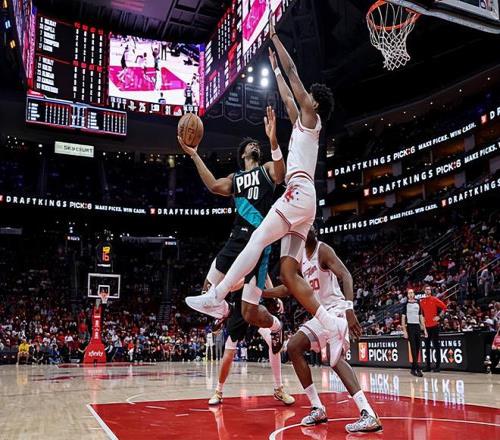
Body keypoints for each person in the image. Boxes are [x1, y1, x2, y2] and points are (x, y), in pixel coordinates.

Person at [185, 19, 339, 352]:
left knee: (257, 239)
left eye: (307, 97)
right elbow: (288, 97)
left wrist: (275, 39)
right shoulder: (302, 125)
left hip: (298, 191)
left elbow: (295, 76)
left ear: (314, 104)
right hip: (306, 201)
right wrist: (276, 71)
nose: (302, 98)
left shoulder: (312, 117)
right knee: (288, 272)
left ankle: (216, 295)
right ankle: (331, 323)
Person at [180, 106, 286, 345]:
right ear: (243, 154)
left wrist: (273, 141)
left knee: (249, 312)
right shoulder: (235, 178)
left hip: (259, 237)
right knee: (207, 288)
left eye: (257, 145)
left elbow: (281, 175)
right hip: (238, 236)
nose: (255, 146)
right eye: (251, 145)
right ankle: (223, 309)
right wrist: (194, 155)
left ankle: (276, 325)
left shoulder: (267, 169)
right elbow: (213, 186)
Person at [263, 226, 382, 433]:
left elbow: (346, 275)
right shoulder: (300, 259)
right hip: (320, 314)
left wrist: (349, 308)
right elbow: (288, 288)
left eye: (310, 226)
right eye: (304, 227)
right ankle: (317, 408)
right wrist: (261, 293)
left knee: (334, 360)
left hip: (336, 310)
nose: (307, 229)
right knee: (294, 346)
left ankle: (369, 413)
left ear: (315, 231)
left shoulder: (323, 250)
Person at [208, 289, 294, 406]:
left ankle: (279, 389)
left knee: (273, 342)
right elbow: (228, 285)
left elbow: (266, 279)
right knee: (229, 352)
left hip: (255, 307)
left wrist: (274, 297)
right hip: (239, 308)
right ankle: (218, 391)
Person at [420, 286, 447, 372]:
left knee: (436, 346)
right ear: (424, 291)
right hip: (426, 327)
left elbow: (444, 307)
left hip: (434, 326)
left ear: (431, 291)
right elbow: (421, 314)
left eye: (429, 289)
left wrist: (439, 316)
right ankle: (428, 366)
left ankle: (437, 366)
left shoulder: (434, 299)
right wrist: (422, 323)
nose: (427, 291)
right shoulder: (422, 301)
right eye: (426, 289)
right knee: (427, 347)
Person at [402, 288, 427, 377]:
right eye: (409, 293)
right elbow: (403, 318)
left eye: (412, 292)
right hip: (410, 326)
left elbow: (421, 317)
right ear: (407, 295)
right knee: (413, 348)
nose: (411, 294)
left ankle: (413, 368)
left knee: (417, 347)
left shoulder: (418, 303)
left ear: (414, 294)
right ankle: (417, 368)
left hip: (417, 326)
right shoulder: (405, 305)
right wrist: (404, 331)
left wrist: (424, 329)